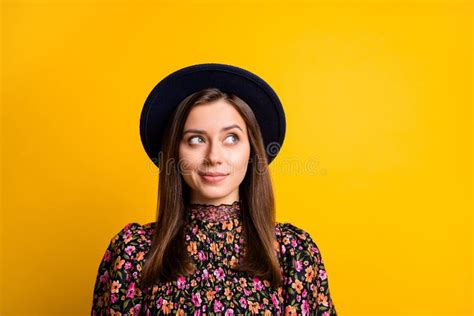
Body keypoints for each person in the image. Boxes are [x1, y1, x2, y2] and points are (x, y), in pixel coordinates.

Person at [91, 63, 337, 315]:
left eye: (231, 138)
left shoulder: (293, 252)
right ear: (175, 151)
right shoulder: (134, 252)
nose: (214, 156)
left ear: (252, 149)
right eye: (196, 139)